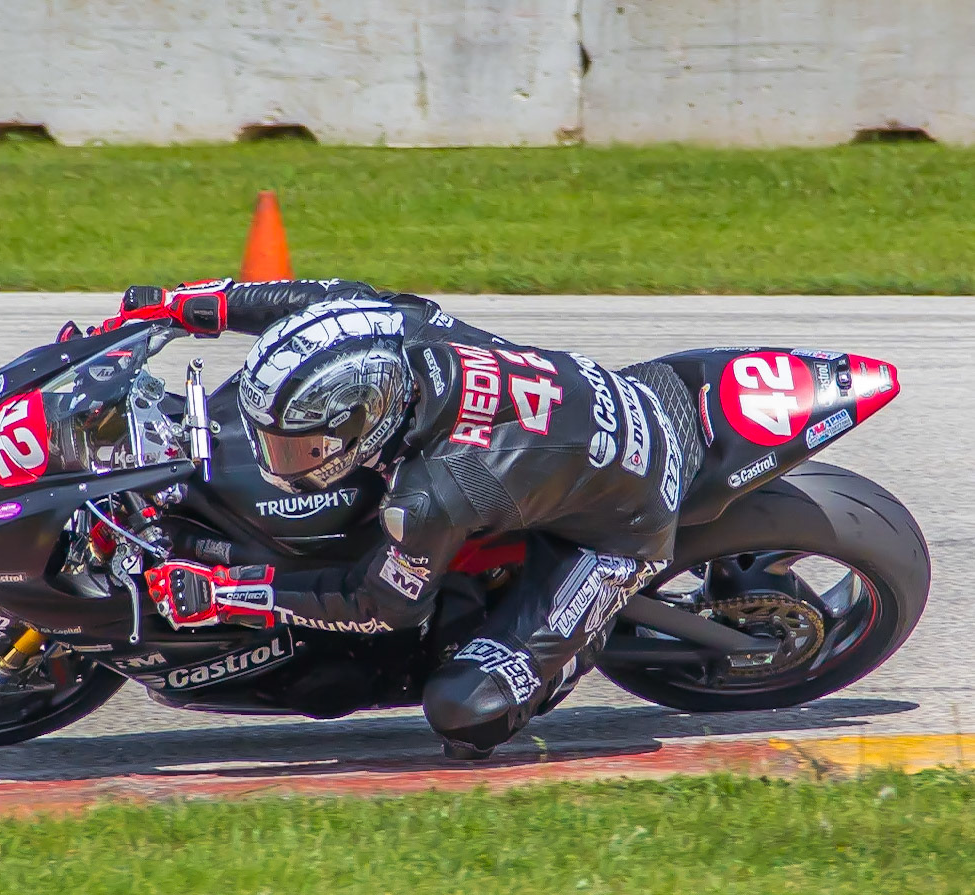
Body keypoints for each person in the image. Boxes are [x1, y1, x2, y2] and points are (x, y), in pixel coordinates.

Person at [94, 278, 705, 759]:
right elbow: (307, 303)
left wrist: (231, 592)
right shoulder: (393, 327)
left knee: (466, 714)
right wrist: (176, 307)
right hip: (599, 420)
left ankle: (571, 651)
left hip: (624, 526)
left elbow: (380, 607)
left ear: (371, 416)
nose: (277, 459)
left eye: (301, 447)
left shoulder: (431, 494)